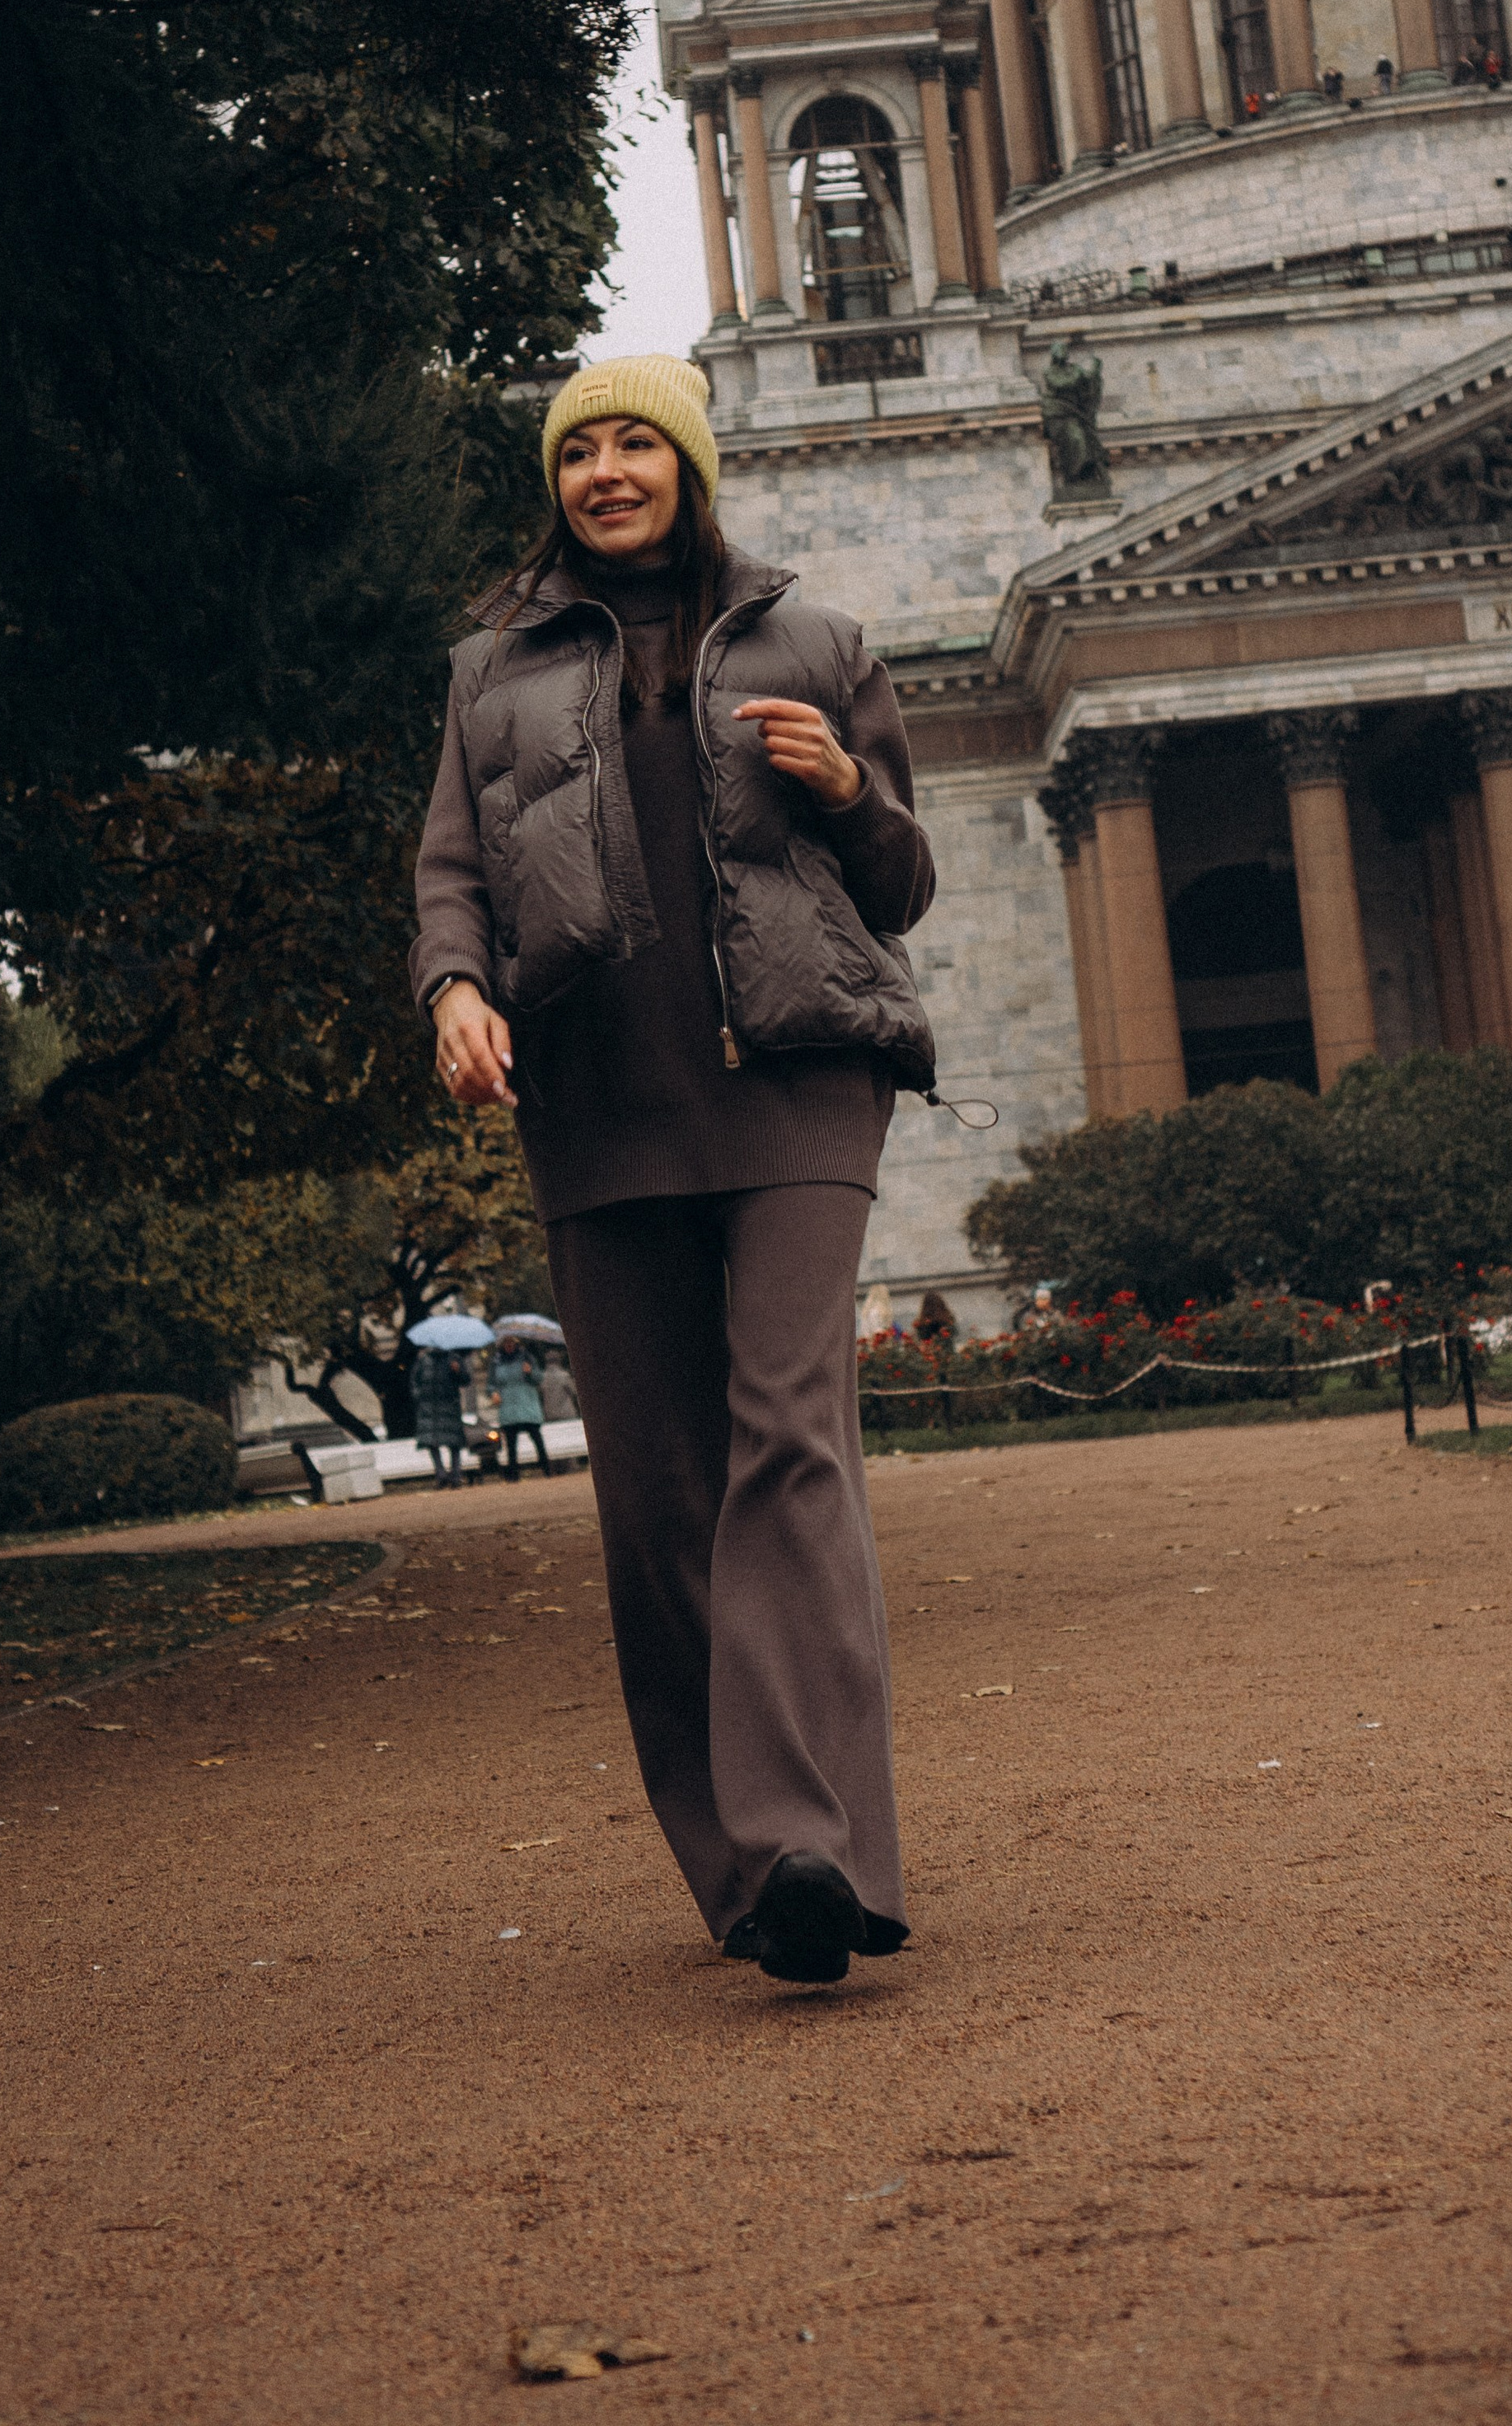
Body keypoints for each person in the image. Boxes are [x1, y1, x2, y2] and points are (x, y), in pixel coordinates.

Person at [410, 353, 936, 1988]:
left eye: (640, 442)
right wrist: (452, 995)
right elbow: (448, 875)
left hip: (795, 1081)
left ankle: (807, 1839)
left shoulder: (813, 639)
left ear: (687, 467)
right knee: (653, 1499)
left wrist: (846, 787)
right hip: (599, 1101)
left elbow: (901, 879)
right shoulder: (490, 670)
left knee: (786, 1436)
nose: (610, 470)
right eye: (583, 449)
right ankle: (744, 1875)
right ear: (557, 480)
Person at [410, 1343, 470, 1487]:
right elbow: (414, 1381)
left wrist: (458, 1371)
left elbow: (466, 1381)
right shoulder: (423, 1360)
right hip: (429, 1408)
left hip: (449, 1406)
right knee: (431, 1442)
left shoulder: (454, 1359)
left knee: (454, 1442)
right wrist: (419, 1397)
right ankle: (441, 1473)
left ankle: (456, 1475)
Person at [494, 1345, 555, 1480]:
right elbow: (492, 1383)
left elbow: (538, 1378)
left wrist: (530, 1372)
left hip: (528, 1405)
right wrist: (493, 1393)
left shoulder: (528, 1358)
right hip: (508, 1408)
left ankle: (547, 1470)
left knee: (537, 1440)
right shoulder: (497, 1362)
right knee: (511, 1444)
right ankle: (514, 1475)